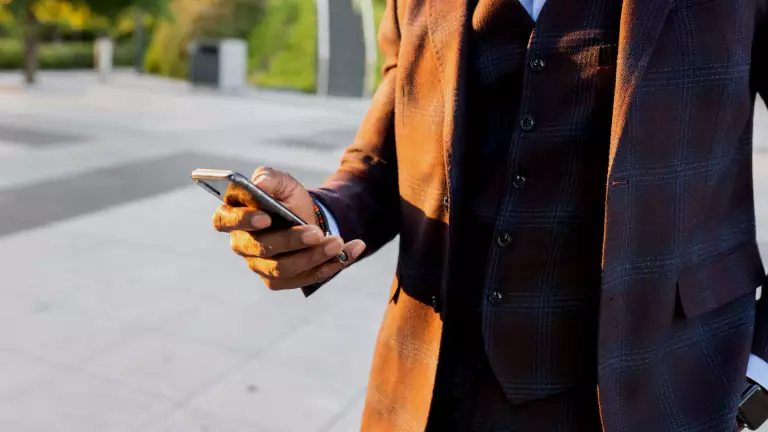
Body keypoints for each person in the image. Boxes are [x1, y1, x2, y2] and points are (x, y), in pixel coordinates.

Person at [212, 0, 768, 430]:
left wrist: (757, 375)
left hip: (658, 389)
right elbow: (389, 156)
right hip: (429, 391)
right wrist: (319, 220)